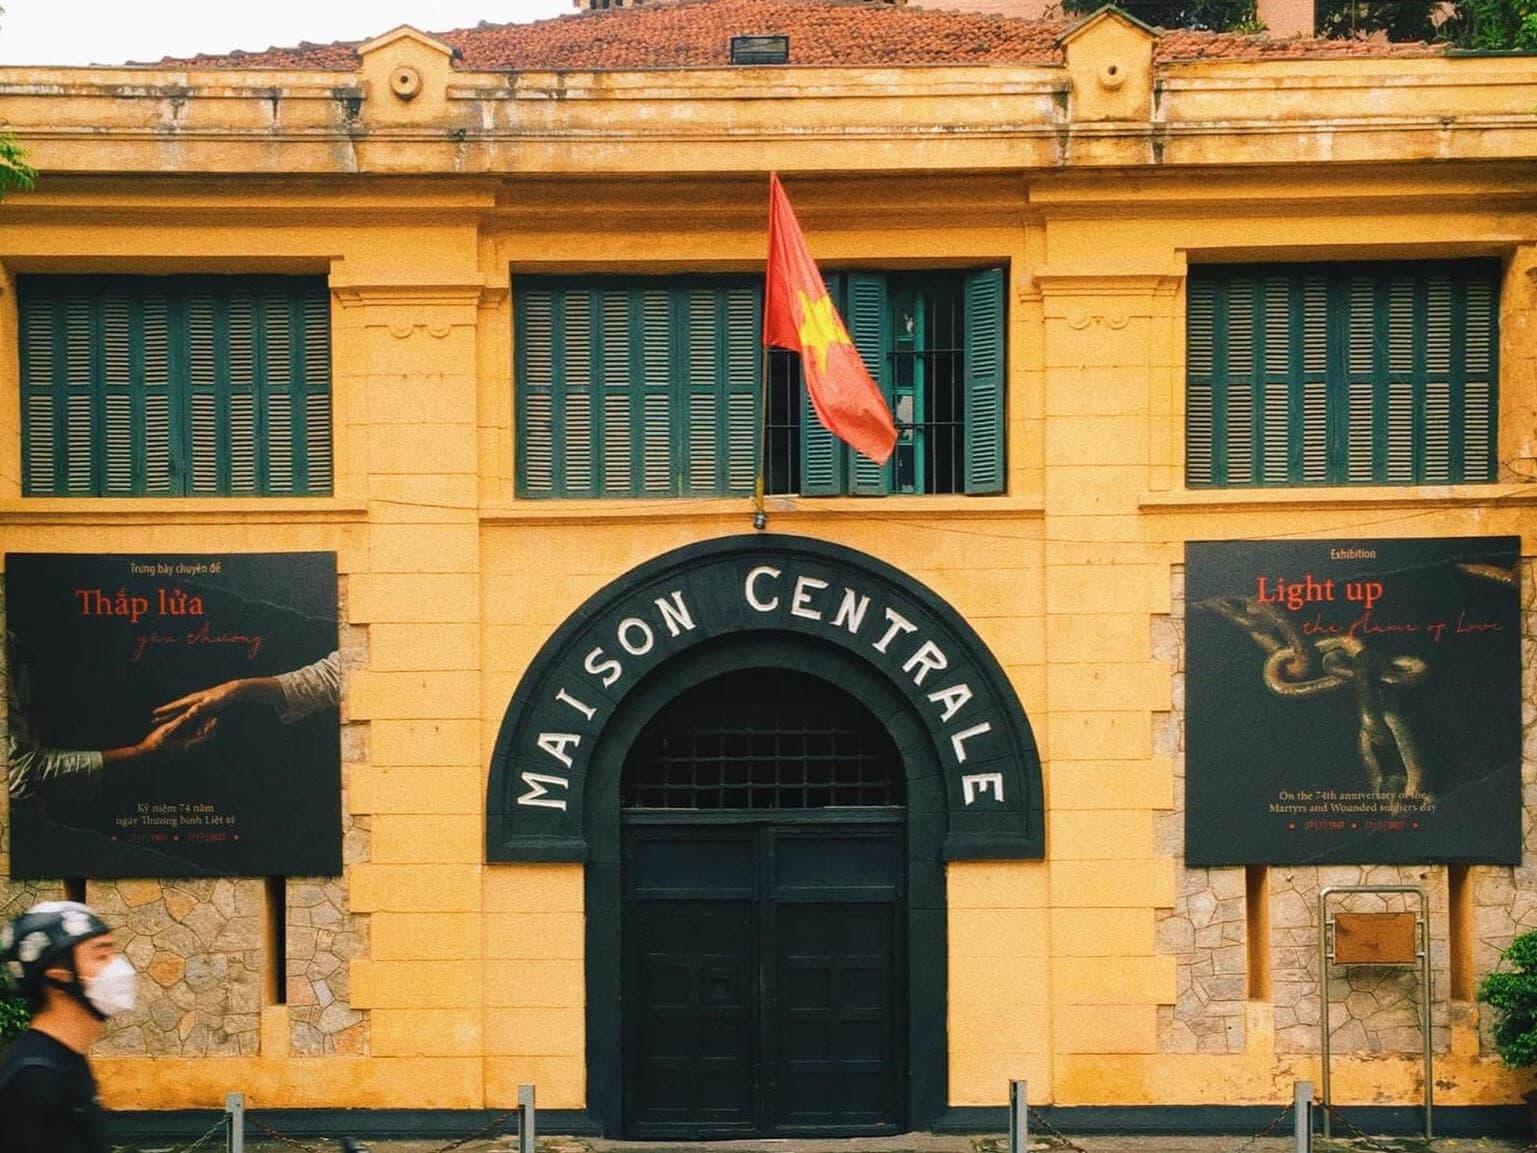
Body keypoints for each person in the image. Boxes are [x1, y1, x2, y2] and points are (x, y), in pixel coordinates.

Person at [0, 901, 137, 1153]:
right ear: (59, 972)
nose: (117, 968)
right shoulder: (32, 1079)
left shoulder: (67, 1059)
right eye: (101, 955)